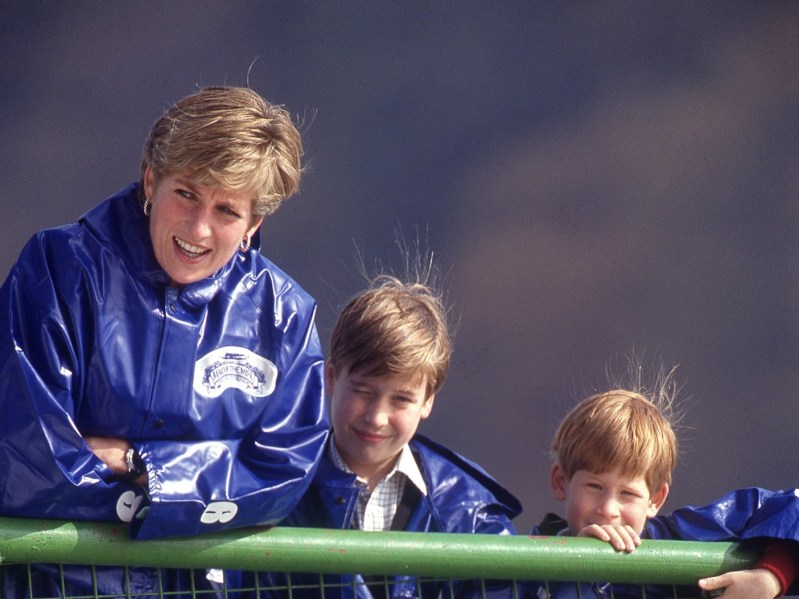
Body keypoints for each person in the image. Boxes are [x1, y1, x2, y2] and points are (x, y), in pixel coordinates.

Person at [0, 86, 329, 596]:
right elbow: (28, 464)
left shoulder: (284, 315)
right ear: (151, 178)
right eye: (187, 193)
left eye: (226, 210)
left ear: (254, 223)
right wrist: (194, 505)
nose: (198, 228)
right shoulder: (58, 269)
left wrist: (142, 467)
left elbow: (282, 477)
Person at [234, 258, 522, 598]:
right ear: (330, 378)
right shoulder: (275, 490)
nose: (377, 417)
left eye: (401, 400)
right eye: (362, 391)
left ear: (428, 400)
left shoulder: (468, 511)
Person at [531, 365, 799, 599]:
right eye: (594, 487)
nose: (607, 509)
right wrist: (576, 561)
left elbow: (791, 509)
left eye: (627, 494)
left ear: (655, 500)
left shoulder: (677, 537)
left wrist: (770, 576)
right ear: (560, 482)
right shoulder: (527, 563)